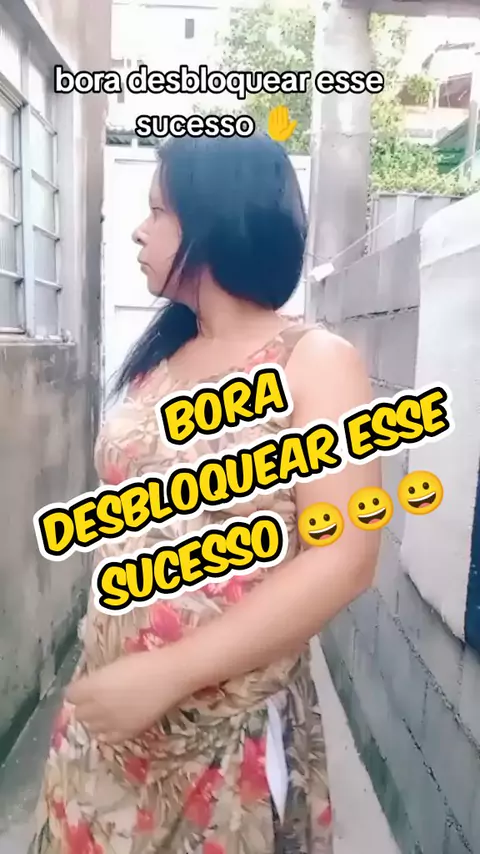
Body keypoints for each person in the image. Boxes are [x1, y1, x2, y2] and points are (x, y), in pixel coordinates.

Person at [29, 133, 381, 854]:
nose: (139, 229)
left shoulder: (314, 362)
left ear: (218, 220)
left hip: (219, 739)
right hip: (111, 728)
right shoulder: (161, 360)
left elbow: (344, 556)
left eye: (159, 210)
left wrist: (167, 674)